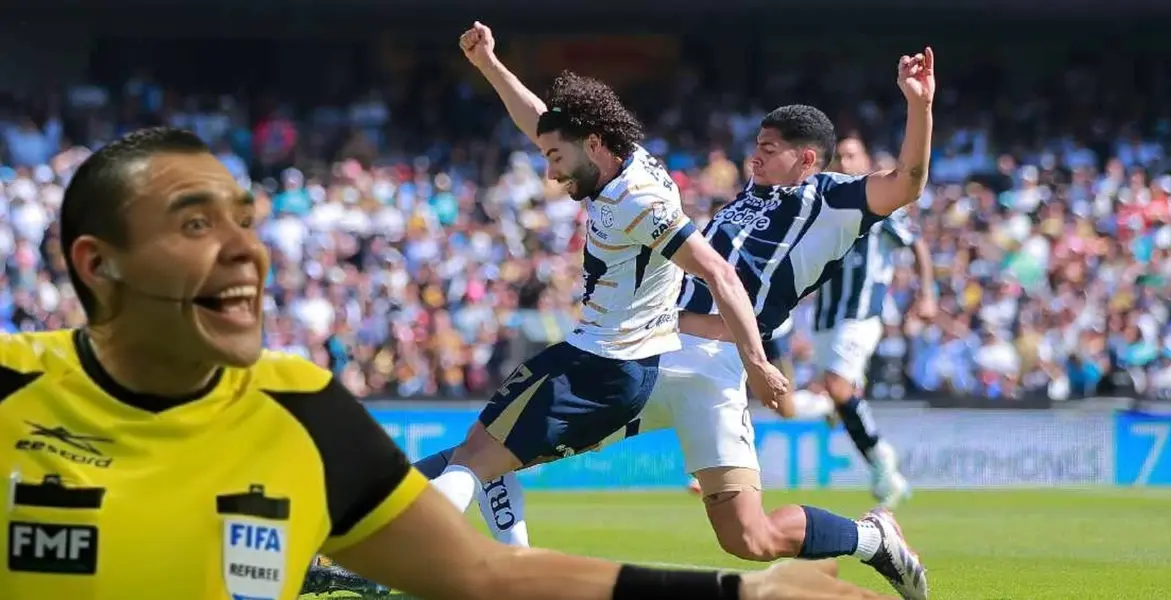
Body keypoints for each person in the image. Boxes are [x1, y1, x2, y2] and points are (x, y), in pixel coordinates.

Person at [0, 126, 891, 600]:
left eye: (243, 222)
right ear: (96, 263)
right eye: (194, 228)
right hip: (636, 361)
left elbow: (484, 579)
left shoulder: (301, 404)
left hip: (654, 363)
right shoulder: (17, 388)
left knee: (481, 466)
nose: (243, 252)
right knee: (481, 461)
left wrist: (737, 598)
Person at [469, 48, 939, 600]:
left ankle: (871, 538)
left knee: (749, 537)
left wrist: (919, 106)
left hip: (715, 366)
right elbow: (556, 131)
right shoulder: (744, 198)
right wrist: (492, 65)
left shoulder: (836, 200)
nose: (754, 156)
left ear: (807, 158)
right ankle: (468, 561)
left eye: (769, 148)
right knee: (494, 452)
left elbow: (908, 181)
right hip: (649, 350)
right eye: (756, 144)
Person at [413, 21, 790, 534]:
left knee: (473, 460)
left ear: (592, 144)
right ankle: (510, 568)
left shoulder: (637, 202)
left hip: (601, 365)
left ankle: (402, 551)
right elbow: (540, 122)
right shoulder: (623, 160)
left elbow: (719, 273)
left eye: (555, 158)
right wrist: (489, 65)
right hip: (610, 364)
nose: (551, 173)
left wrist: (757, 363)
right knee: (486, 458)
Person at [811, 135, 939, 508]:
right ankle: (884, 473)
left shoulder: (880, 204)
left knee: (836, 388)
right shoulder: (825, 204)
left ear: (866, 161)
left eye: (853, 156)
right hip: (824, 319)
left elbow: (916, 244)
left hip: (860, 314)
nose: (845, 163)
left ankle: (883, 458)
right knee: (836, 397)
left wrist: (927, 294)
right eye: (840, 157)